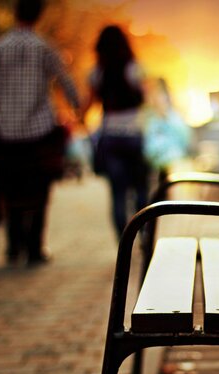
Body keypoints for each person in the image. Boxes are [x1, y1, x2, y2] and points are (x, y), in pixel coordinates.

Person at [0, 0, 81, 268]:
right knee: (40, 189)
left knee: (11, 188)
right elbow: (64, 79)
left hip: (5, 133)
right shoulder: (43, 47)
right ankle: (35, 248)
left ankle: (13, 246)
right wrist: (77, 105)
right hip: (39, 132)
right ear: (38, 15)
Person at [85, 25, 148, 237]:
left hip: (110, 137)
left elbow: (89, 105)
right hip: (134, 136)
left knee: (117, 194)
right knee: (141, 189)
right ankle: (144, 237)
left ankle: (124, 246)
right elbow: (145, 98)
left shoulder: (97, 73)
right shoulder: (133, 68)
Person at [143, 77, 192, 181]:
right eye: (156, 96)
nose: (159, 100)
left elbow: (185, 140)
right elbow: (148, 148)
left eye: (161, 96)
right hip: (156, 167)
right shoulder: (152, 121)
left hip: (174, 165)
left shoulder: (175, 119)